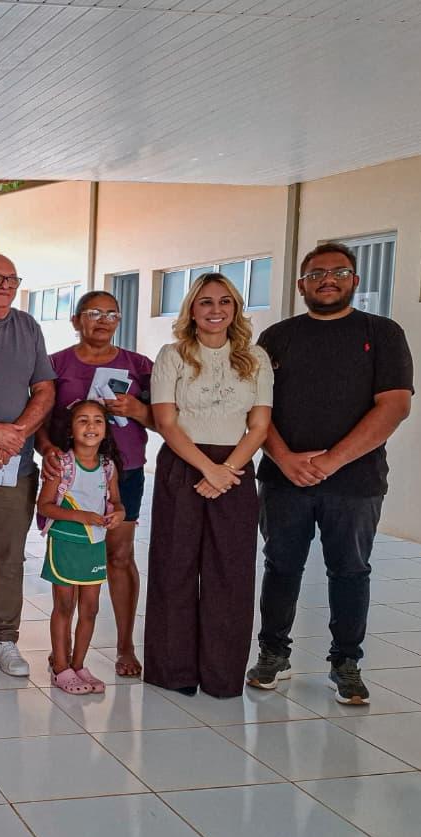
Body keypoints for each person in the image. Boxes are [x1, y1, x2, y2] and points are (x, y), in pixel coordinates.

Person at [249, 242, 414, 706]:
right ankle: (272, 653)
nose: (327, 279)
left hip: (355, 483)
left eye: (339, 272)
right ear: (301, 284)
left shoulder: (381, 333)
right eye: (316, 273)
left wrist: (331, 461)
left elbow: (395, 405)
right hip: (284, 480)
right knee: (281, 567)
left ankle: (346, 662)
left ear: (355, 281)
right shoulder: (277, 337)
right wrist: (283, 458)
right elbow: (258, 409)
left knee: (349, 570)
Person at [143, 273, 272, 699]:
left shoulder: (255, 358)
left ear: (235, 309)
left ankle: (221, 675)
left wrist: (227, 470)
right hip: (182, 465)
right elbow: (166, 421)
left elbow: (259, 425)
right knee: (174, 566)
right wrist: (206, 469)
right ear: (192, 310)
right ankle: (172, 670)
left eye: (224, 302)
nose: (215, 310)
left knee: (230, 573)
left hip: (234, 469)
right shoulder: (172, 355)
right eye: (205, 302)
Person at [37, 291, 154, 677]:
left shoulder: (139, 366)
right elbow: (40, 417)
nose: (103, 320)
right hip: (70, 476)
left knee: (120, 556)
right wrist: (48, 450)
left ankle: (124, 646)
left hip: (124, 473)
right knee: (71, 556)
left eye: (111, 313)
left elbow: (167, 418)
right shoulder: (55, 365)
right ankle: (63, 653)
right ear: (75, 320)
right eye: (93, 313)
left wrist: (137, 410)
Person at [0, 254, 56, 678]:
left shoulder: (28, 327)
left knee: (9, 557)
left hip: (12, 468)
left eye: (11, 279)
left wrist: (14, 434)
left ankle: (3, 639)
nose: (3, 285)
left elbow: (44, 389)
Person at [37, 400, 124, 695]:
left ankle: (78, 665)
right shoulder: (62, 465)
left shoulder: (108, 467)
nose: (91, 427)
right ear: (71, 430)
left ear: (105, 430)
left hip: (94, 546)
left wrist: (120, 513)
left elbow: (116, 501)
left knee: (90, 608)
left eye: (98, 421)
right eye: (83, 421)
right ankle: (60, 668)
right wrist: (81, 516)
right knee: (64, 606)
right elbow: (45, 506)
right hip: (65, 543)